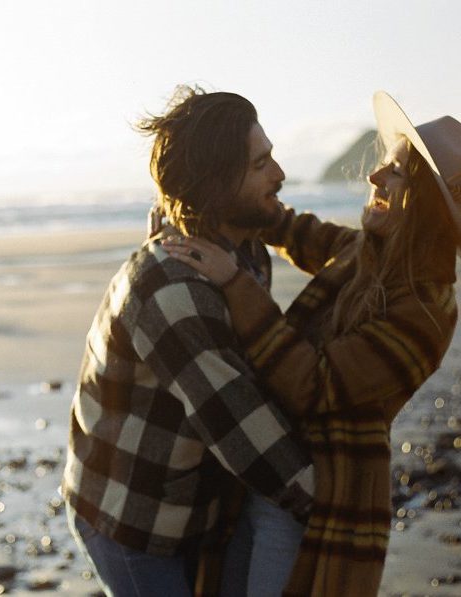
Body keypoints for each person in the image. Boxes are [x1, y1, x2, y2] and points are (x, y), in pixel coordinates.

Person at [162, 90, 461, 596]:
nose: (374, 177)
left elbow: (314, 386)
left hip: (321, 497)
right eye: (382, 166)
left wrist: (235, 283)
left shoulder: (427, 309)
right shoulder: (370, 252)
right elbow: (298, 231)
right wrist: (213, 198)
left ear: (430, 206)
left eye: (396, 173)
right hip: (268, 476)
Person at [61, 86, 315, 596]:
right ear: (218, 186)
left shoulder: (242, 254)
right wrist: (335, 498)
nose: (280, 174)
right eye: (261, 163)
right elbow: (236, 420)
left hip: (192, 501)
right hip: (130, 518)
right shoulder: (172, 290)